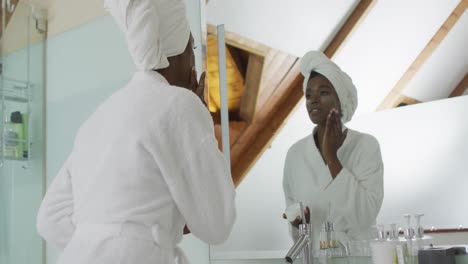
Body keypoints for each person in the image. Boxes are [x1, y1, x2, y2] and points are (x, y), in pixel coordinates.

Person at [36, 0, 236, 263]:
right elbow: (217, 223)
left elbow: (50, 219)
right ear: (176, 53)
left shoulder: (100, 116)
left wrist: (98, 241)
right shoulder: (181, 104)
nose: (193, 63)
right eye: (192, 49)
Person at [282, 51, 384, 251]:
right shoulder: (295, 154)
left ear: (341, 100)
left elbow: (365, 215)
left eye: (324, 92)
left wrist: (332, 159)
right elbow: (294, 215)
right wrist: (300, 226)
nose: (313, 100)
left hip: (358, 256)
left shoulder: (366, 146)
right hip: (316, 257)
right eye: (309, 94)